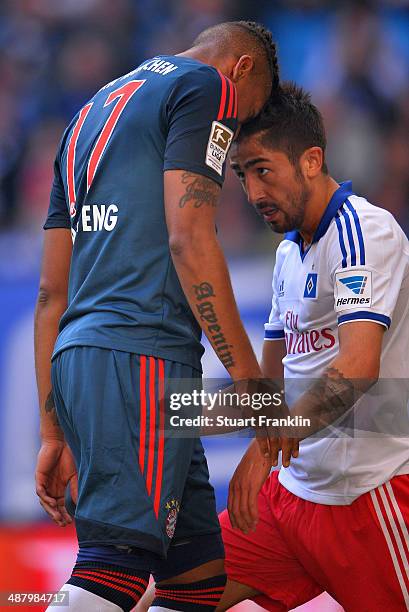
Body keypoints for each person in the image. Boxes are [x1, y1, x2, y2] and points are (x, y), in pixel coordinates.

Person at [34, 21, 283, 612]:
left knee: (195, 580)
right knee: (112, 572)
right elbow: (189, 237)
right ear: (242, 69)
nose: (235, 129)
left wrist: (52, 430)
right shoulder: (209, 86)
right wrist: (252, 387)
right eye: (244, 118)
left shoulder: (88, 114)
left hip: (86, 358)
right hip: (140, 356)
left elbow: (50, 290)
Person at [211, 82, 409, 611]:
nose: (252, 194)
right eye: (242, 176)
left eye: (263, 170)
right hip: (291, 498)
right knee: (179, 588)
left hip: (368, 497)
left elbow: (358, 365)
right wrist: (261, 443)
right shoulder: (287, 254)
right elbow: (273, 376)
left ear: (312, 160)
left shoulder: (365, 233)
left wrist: (270, 446)